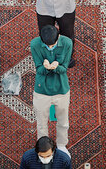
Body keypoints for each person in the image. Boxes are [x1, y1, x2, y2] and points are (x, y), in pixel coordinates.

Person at [30, 25, 72, 157]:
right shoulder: (35, 44)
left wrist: (55, 67)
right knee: (41, 122)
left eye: (52, 45)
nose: (50, 48)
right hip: (42, 91)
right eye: (47, 46)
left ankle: (61, 145)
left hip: (61, 89)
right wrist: (46, 67)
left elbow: (64, 68)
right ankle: (43, 146)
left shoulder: (67, 43)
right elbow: (39, 69)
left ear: (58, 36)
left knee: (63, 121)